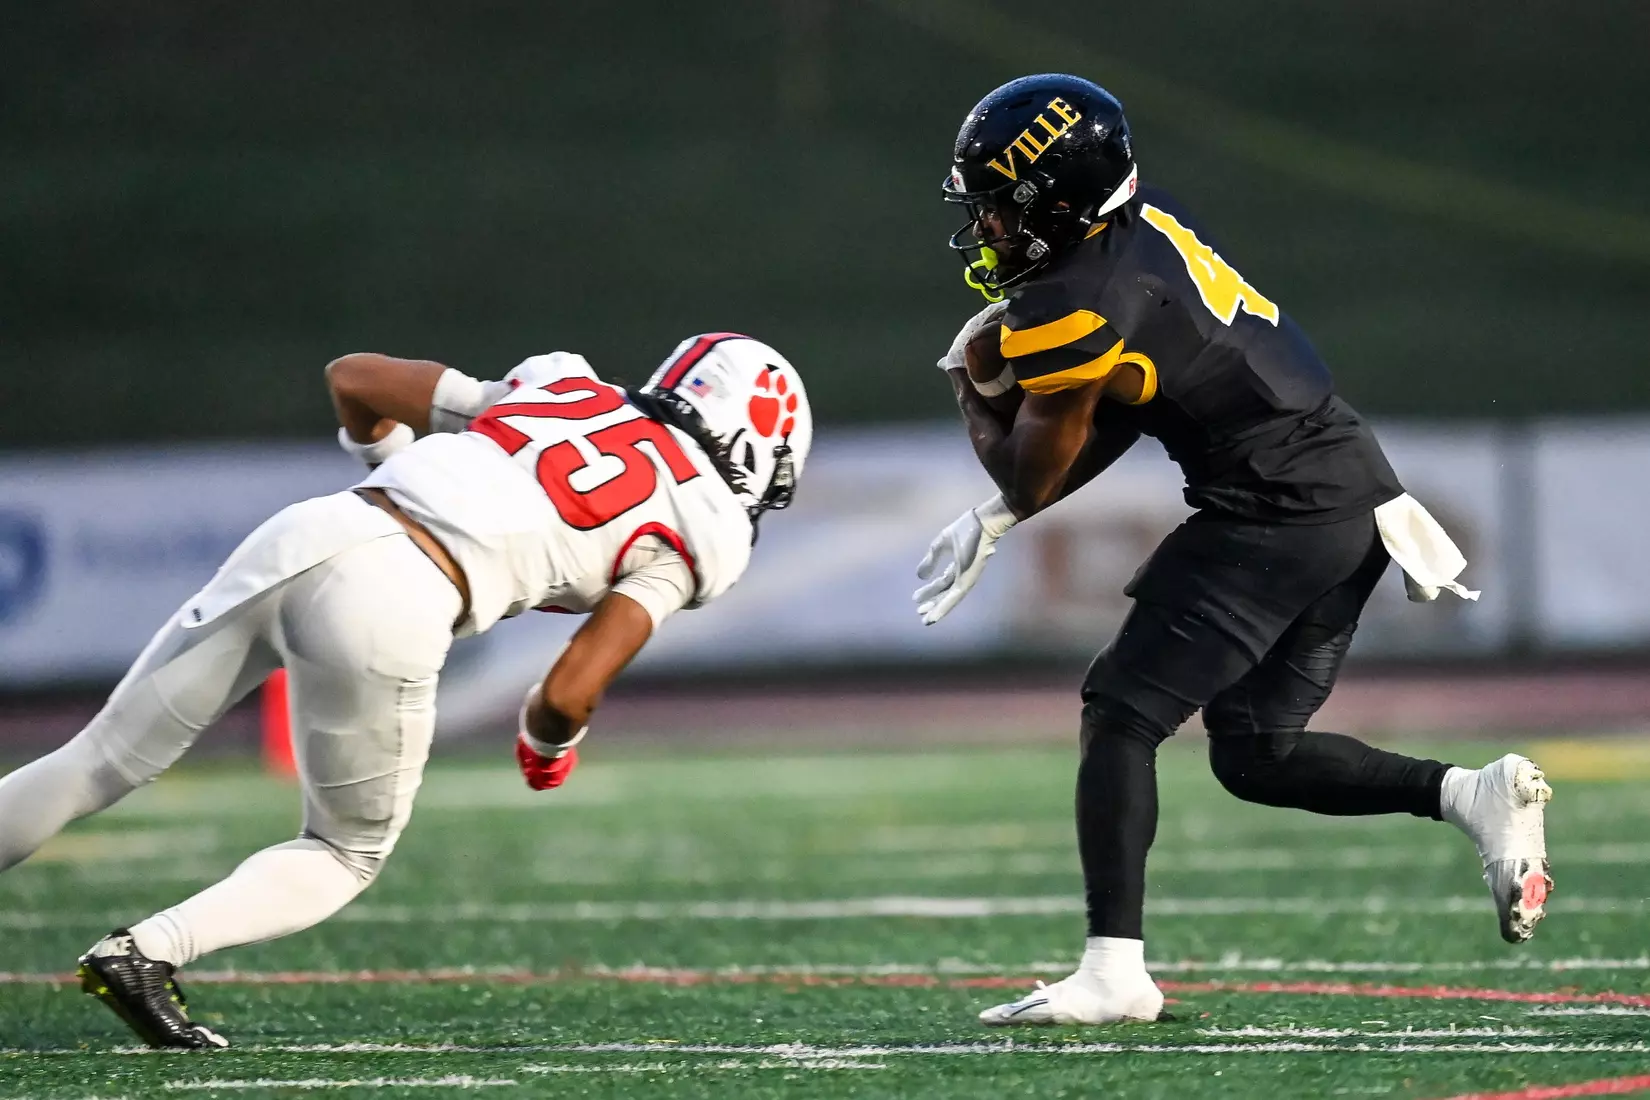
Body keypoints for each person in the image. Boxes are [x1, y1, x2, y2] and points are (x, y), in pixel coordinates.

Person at [915, 74, 1551, 1028]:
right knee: (1256, 753)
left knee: (1120, 710)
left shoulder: (1066, 299)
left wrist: (975, 391)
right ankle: (1473, 795)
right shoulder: (1135, 237)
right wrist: (997, 518)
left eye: (1004, 206)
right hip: (1347, 491)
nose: (991, 228)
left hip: (1280, 507)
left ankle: (1113, 972)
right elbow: (1130, 402)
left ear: (1061, 200)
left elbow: (1031, 473)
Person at [0, 334, 811, 1048]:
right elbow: (568, 691)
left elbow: (355, 377)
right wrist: (547, 747)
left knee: (100, 759)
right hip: (398, 597)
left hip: (314, 529)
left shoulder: (561, 386)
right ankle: (143, 953)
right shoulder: (707, 527)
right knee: (343, 852)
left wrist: (387, 466)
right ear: (755, 444)